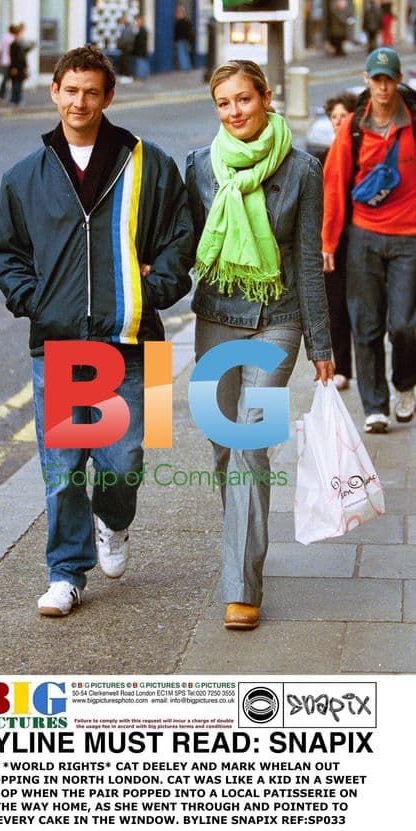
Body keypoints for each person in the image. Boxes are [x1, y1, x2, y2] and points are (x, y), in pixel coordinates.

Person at [0, 45, 194, 616]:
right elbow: (8, 254)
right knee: (63, 467)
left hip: (135, 336)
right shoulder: (24, 176)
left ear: (109, 96)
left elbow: (182, 236)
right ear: (54, 92)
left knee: (125, 462)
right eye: (70, 90)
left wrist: (154, 290)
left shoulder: (148, 163)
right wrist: (35, 302)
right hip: (59, 340)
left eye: (91, 91)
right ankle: (66, 572)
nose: (80, 101)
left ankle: (116, 522)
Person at [186, 60, 333, 631]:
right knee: (224, 448)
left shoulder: (302, 169)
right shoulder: (201, 165)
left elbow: (306, 261)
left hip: (279, 320)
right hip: (217, 317)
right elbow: (187, 243)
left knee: (249, 444)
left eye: (244, 99)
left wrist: (320, 340)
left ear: (266, 99)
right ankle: (242, 540)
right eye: (224, 103)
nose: (235, 112)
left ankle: (242, 585)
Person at [322, 47, 416, 434]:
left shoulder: (412, 123)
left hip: (409, 237)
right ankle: (375, 407)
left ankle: (406, 383)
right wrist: (328, 243)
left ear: (397, 80)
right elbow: (334, 184)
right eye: (375, 79)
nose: (381, 86)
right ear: (367, 80)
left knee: (406, 325)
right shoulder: (354, 129)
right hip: (364, 235)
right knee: (366, 324)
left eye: (388, 79)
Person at [323, 92, 357, 391]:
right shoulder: (323, 158)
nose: (338, 123)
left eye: (343, 117)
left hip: (359, 239)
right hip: (332, 243)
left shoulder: (363, 155)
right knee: (336, 307)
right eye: (334, 118)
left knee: (367, 310)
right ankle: (343, 367)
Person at [9, 23, 33, 107]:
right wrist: (13, 67)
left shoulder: (21, 44)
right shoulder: (14, 44)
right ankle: (14, 100)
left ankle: (18, 99)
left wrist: (30, 46)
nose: (22, 35)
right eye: (21, 33)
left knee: (20, 84)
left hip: (21, 67)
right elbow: (13, 57)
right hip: (16, 67)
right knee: (15, 84)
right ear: (17, 34)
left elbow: (25, 53)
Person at [0, 24, 17, 102]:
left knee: (5, 79)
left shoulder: (4, 37)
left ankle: (1, 94)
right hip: (10, 61)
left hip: (4, 61)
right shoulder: (13, 39)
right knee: (12, 79)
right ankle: (6, 95)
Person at [174, 5, 195, 71]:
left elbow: (184, 32)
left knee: (182, 55)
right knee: (185, 54)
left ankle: (185, 68)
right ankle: (187, 67)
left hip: (182, 41)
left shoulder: (182, 22)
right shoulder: (185, 22)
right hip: (185, 40)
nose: (176, 15)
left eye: (178, 13)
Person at [116, 14, 135, 82]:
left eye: (122, 21)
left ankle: (128, 77)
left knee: (126, 63)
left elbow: (127, 39)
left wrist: (121, 45)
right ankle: (125, 76)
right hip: (124, 48)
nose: (121, 22)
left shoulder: (129, 28)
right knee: (124, 63)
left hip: (127, 49)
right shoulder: (125, 27)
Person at [132, 15, 150, 80]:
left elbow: (141, 43)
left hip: (141, 51)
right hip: (140, 52)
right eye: (136, 21)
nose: (136, 23)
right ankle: (142, 76)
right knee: (141, 64)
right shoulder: (139, 30)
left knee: (141, 64)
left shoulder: (142, 30)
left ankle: (141, 76)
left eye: (138, 21)